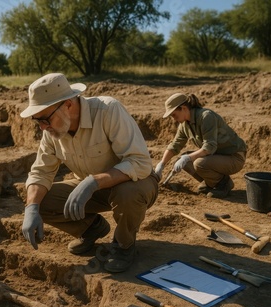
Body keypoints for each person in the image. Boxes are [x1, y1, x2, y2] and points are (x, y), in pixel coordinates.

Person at [19, 73, 159, 273]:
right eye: (37, 120)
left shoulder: (108, 110)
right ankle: (92, 228)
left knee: (128, 193)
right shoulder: (50, 131)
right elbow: (41, 172)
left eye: (45, 119)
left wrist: (95, 181)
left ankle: (123, 245)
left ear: (67, 104)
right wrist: (31, 208)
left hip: (135, 184)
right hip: (92, 190)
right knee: (40, 199)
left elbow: (140, 162)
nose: (42, 127)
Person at [155, 93, 247, 198]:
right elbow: (175, 145)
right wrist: (161, 164)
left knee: (199, 163)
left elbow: (209, 147)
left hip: (234, 157)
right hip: (217, 156)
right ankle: (211, 183)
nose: (173, 118)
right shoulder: (185, 125)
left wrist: (188, 157)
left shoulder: (206, 117)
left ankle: (223, 184)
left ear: (184, 108)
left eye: (174, 114)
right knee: (185, 162)